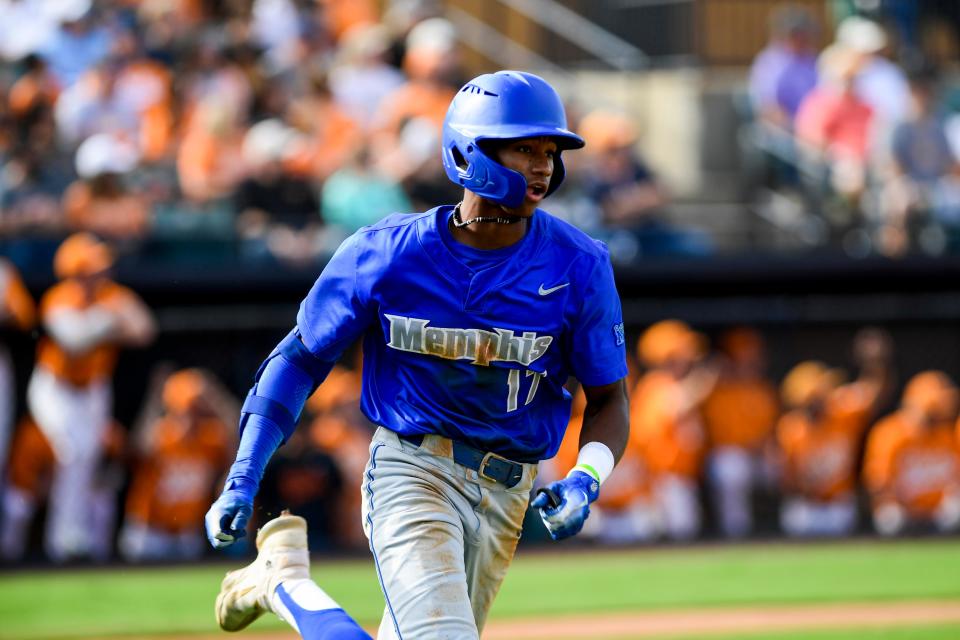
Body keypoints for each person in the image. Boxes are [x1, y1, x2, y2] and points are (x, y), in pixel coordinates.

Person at [204, 70, 630, 640]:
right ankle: (285, 585)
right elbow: (299, 359)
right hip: (413, 467)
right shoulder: (386, 253)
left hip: (509, 492)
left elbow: (609, 398)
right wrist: (243, 474)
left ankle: (284, 582)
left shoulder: (580, 264)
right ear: (468, 150)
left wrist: (586, 477)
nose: (542, 165)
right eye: (523, 147)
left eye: (550, 150)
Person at [1, 232, 156, 561]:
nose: (102, 274)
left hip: (93, 390)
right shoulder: (60, 298)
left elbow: (144, 329)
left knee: (87, 457)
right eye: (92, 269)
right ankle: (60, 540)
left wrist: (105, 321)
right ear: (75, 272)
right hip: (55, 389)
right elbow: (74, 340)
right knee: (71, 453)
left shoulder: (111, 295)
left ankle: (71, 539)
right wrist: (110, 321)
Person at [862, 371, 960, 536]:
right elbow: (878, 484)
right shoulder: (889, 433)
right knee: (890, 517)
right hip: (903, 512)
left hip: (939, 513)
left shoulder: (948, 434)